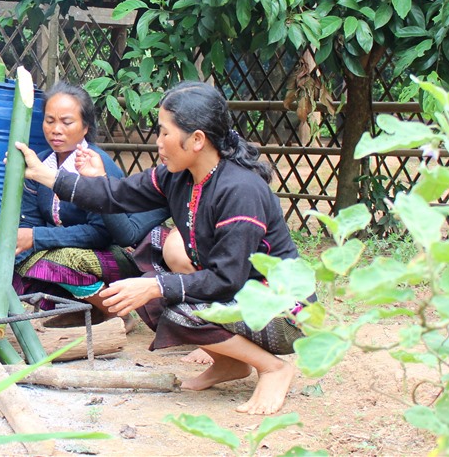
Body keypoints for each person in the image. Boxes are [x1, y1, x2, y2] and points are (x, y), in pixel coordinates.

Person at [15, 81, 309, 415]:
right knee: (159, 277)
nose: (158, 143)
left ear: (197, 140)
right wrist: (49, 177)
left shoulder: (240, 190)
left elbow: (226, 277)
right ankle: (231, 364)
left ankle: (273, 368)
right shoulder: (177, 177)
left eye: (164, 133)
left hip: (284, 311)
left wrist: (155, 286)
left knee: (175, 308)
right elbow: (116, 195)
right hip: (241, 294)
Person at [13, 82, 169, 318]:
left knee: (57, 263)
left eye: (66, 122)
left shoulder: (97, 165)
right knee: (15, 262)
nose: (56, 129)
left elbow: (102, 233)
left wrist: (36, 238)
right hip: (73, 248)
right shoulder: (40, 164)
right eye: (49, 120)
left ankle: (116, 311)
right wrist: (22, 241)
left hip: (117, 251)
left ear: (85, 127)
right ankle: (85, 310)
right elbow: (31, 221)